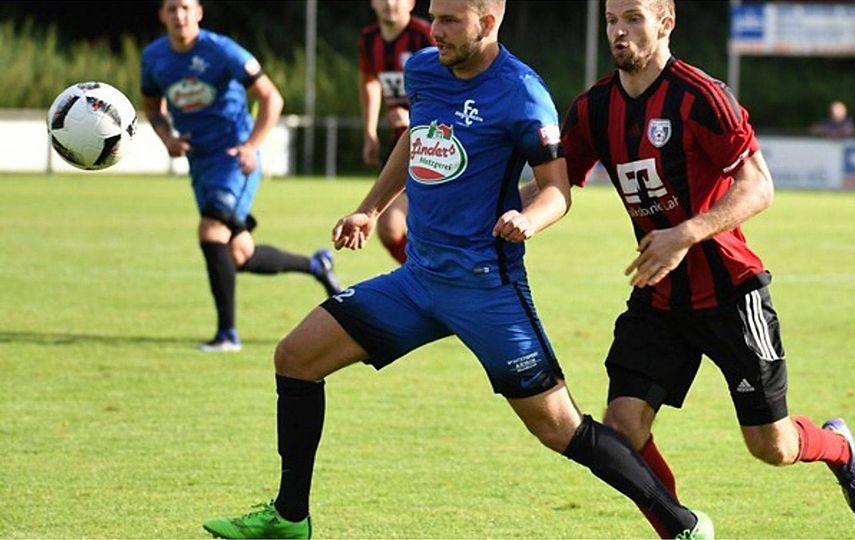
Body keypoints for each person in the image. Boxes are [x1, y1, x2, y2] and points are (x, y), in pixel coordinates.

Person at [202, 1, 712, 538]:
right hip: (416, 281)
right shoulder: (424, 69)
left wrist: (528, 219)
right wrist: (370, 208)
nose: (434, 31)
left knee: (559, 427)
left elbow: (559, 191)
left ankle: (679, 524)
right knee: (295, 357)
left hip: (485, 289)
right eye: (433, 17)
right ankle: (289, 518)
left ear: (487, 24)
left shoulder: (521, 92)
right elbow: (413, 136)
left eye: (448, 21)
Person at [557, 0, 855, 534]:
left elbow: (759, 186)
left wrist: (684, 234)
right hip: (659, 294)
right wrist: (486, 206)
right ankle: (680, 529)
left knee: (771, 446)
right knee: (623, 426)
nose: (618, 30)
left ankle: (839, 448)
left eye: (633, 17)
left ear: (666, 22)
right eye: (612, 18)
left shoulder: (700, 96)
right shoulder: (592, 110)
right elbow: (555, 184)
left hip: (732, 292)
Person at [141, 0, 342, 352]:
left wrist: (252, 146)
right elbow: (152, 105)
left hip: (235, 160)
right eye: (172, 9)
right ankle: (316, 264)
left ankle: (227, 336)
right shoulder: (154, 56)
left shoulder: (221, 51)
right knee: (238, 255)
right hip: (200, 163)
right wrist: (167, 138)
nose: (180, 15)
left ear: (200, 12)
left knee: (211, 231)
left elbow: (271, 98)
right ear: (162, 15)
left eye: (186, 7)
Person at [358, 0, 434, 264]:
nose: (390, 3)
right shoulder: (369, 39)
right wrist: (370, 132)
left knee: (393, 225)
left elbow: (452, 86)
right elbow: (369, 81)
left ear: (412, 2)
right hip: (400, 143)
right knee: (390, 229)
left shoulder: (427, 36)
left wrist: (414, 117)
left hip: (436, 143)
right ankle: (424, 278)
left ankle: (428, 280)